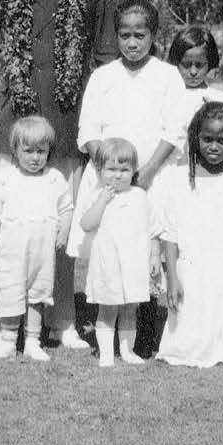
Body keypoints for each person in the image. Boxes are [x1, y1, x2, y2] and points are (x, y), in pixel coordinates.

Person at [0, 0, 117, 349]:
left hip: (67, 118)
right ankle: (1, 323)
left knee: (61, 222)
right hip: (14, 119)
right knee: (11, 221)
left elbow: (106, 55)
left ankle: (63, 321)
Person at [65, 0, 181, 256]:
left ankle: (150, 297)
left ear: (153, 35)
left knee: (151, 244)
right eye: (124, 35)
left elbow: (174, 130)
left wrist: (148, 172)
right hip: (107, 174)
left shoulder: (167, 75)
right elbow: (89, 130)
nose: (132, 43)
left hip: (152, 174)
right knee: (108, 247)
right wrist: (107, 168)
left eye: (139, 36)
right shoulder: (102, 76)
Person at [155, 102, 223, 368]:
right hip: (193, 269)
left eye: (222, 141)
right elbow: (170, 235)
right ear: (196, 138)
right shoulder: (180, 179)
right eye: (207, 139)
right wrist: (173, 279)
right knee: (189, 339)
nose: (214, 147)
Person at [0, 116, 74, 361]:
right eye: (28, 151)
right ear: (15, 150)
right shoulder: (6, 178)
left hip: (42, 252)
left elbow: (66, 209)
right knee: (10, 291)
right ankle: (8, 341)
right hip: (12, 251)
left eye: (41, 151)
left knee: (38, 294)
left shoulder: (54, 179)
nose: (35, 157)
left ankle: (33, 340)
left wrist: (63, 232)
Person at [78, 137, 159, 367]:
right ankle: (105, 353)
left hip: (134, 263)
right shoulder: (98, 195)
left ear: (133, 170)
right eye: (111, 169)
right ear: (100, 170)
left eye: (124, 169)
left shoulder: (140, 196)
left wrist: (154, 256)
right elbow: (86, 223)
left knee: (129, 309)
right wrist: (102, 201)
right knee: (108, 308)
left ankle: (127, 351)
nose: (118, 175)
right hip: (108, 263)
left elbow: (153, 230)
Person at [165, 26, 223, 167]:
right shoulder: (167, 97)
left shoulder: (220, 99)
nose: (193, 71)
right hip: (173, 171)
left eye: (199, 65)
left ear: (209, 63)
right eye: (186, 65)